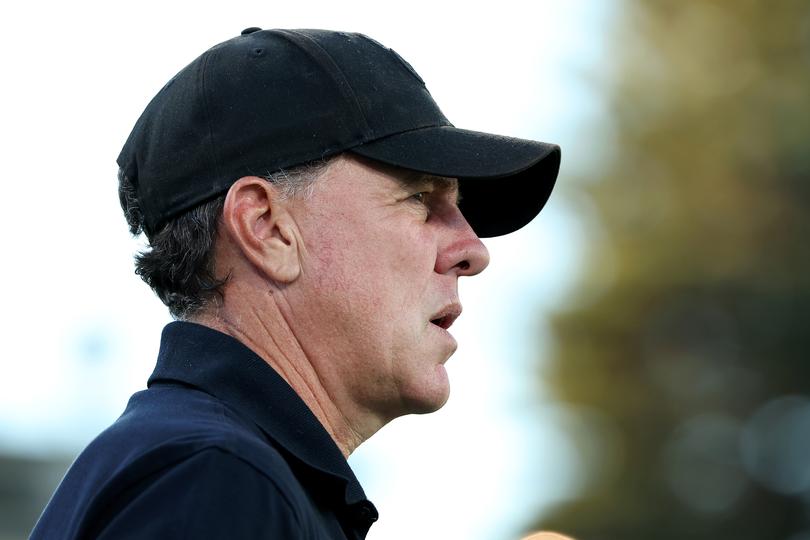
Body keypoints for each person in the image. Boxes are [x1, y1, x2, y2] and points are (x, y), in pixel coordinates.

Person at [31, 27, 560, 539]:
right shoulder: (219, 479)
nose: (473, 251)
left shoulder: (211, 467)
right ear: (266, 228)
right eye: (419, 199)